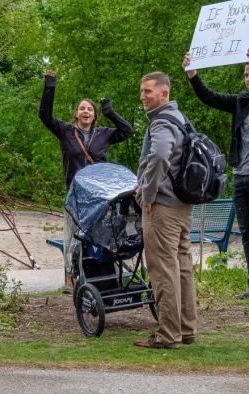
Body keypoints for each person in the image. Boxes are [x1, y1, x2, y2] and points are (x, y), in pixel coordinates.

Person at [182, 45, 249, 300]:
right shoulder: (240, 102)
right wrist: (193, 75)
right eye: (246, 75)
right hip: (241, 176)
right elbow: (210, 98)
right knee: (247, 232)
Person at [38, 69, 134, 286]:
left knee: (102, 237)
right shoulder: (65, 131)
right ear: (76, 114)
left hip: (100, 197)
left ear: (94, 115)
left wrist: (110, 112)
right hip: (77, 195)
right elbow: (44, 116)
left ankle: (105, 280)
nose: (86, 111)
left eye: (90, 109)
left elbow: (127, 131)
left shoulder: (103, 134)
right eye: (82, 108)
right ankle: (76, 279)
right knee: (78, 238)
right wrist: (50, 86)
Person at [133, 72, 196, 349]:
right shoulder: (180, 118)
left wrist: (147, 193)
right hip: (182, 204)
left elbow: (159, 156)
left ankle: (168, 334)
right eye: (142, 91)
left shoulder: (161, 121)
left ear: (164, 93)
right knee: (182, 267)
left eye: (148, 91)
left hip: (163, 206)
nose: (142, 96)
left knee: (163, 270)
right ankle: (186, 329)